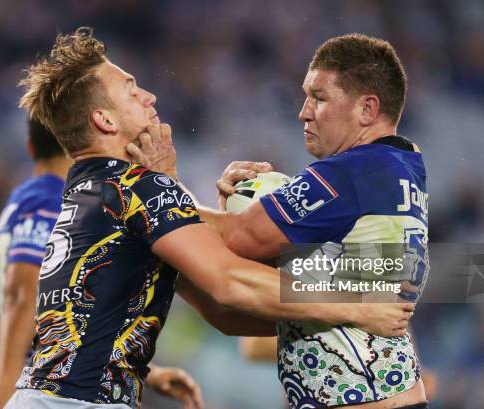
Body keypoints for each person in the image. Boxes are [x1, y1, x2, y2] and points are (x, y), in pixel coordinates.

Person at [6, 27, 413, 409]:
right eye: (131, 91)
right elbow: (229, 280)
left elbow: (224, 315)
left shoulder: (90, 190)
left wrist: (330, 325)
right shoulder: (135, 188)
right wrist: (354, 306)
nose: (148, 96)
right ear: (105, 120)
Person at [131, 34, 430, 408]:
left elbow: (239, 240)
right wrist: (252, 203)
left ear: (367, 109)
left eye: (320, 98)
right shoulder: (397, 166)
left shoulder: (352, 173)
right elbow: (233, 317)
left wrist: (162, 184)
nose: (303, 111)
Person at [0, 119, 204, 409]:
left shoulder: (26, 197)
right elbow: (23, 292)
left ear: (30, 147)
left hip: (56, 378)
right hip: (51, 389)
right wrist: (5, 382)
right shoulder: (52, 199)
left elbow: (69, 305)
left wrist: (150, 374)